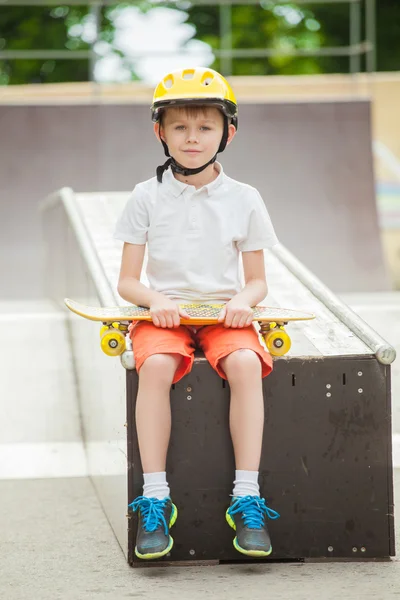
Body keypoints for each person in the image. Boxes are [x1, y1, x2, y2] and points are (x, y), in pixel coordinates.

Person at [114, 67, 280, 561]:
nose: (192, 138)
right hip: (162, 315)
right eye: (179, 127)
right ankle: (156, 499)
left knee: (248, 364)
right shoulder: (146, 195)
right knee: (157, 367)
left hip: (225, 316)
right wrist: (153, 301)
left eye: (205, 127)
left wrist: (243, 303)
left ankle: (246, 496)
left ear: (227, 133)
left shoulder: (245, 198)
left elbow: (257, 280)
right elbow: (126, 280)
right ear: (159, 131)